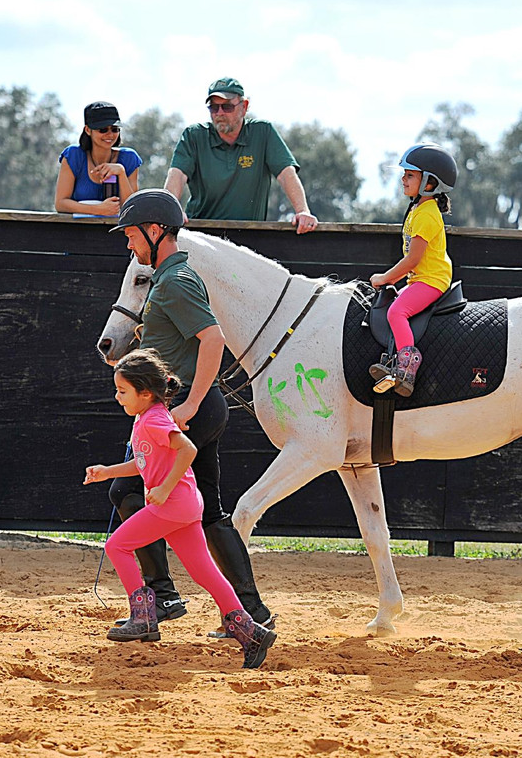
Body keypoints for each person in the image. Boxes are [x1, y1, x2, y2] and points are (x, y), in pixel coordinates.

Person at [105, 188, 276, 637]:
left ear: (156, 230)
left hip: (188, 411)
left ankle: (160, 599)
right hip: (192, 408)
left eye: (132, 235)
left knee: (127, 492)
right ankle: (249, 612)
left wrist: (193, 404)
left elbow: (213, 339)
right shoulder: (170, 278)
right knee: (209, 513)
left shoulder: (176, 281)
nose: (128, 243)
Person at [84, 349, 276, 669]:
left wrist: (164, 488)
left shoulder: (156, 418)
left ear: (145, 393)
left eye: (122, 391)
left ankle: (143, 617)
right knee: (205, 573)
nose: (117, 398)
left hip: (173, 505)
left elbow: (187, 449)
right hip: (185, 506)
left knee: (117, 545)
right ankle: (251, 634)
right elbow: (144, 462)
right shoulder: (149, 417)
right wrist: (108, 471)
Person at [163, 77, 319, 233]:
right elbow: (177, 174)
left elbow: (286, 174)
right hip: (202, 234)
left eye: (227, 107)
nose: (220, 113)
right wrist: (168, 208)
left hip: (250, 237)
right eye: (214, 107)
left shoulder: (263, 132)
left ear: (244, 107)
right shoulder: (194, 135)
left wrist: (302, 211)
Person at [368, 144, 458, 397]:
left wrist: (385, 278)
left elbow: (412, 260)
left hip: (431, 280)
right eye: (404, 174)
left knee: (397, 312)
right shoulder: (418, 210)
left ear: (429, 182)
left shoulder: (426, 215)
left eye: (410, 175)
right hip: (422, 278)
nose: (402, 180)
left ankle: (406, 367)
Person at [55, 101, 141, 216]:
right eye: (103, 129)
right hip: (77, 230)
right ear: (88, 130)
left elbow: (133, 210)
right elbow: (61, 204)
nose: (110, 135)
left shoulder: (129, 158)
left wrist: (121, 172)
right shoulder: (73, 156)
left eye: (114, 129)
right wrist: (98, 209)